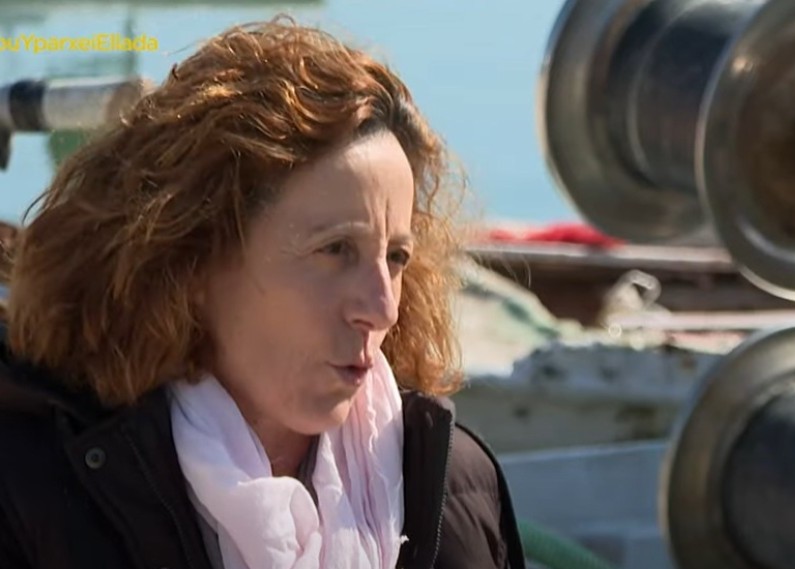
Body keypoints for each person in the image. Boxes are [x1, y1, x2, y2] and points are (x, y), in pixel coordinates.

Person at [0, 17, 525, 569]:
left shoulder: (455, 489)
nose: (382, 308)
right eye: (335, 250)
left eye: (396, 258)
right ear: (191, 261)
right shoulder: (29, 491)